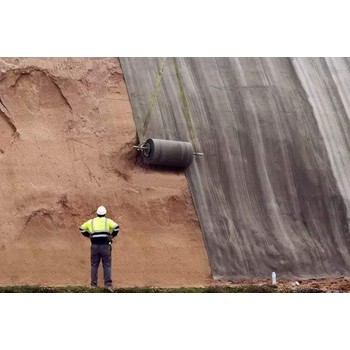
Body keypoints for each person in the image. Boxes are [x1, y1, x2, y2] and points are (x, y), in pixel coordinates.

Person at [79, 206, 120, 290]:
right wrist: (112, 236)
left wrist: (89, 236)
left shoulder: (91, 222)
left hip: (94, 246)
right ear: (105, 214)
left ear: (97, 214)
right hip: (105, 246)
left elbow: (81, 228)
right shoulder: (107, 221)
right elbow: (116, 227)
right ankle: (108, 285)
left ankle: (93, 285)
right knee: (107, 265)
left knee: (94, 265)